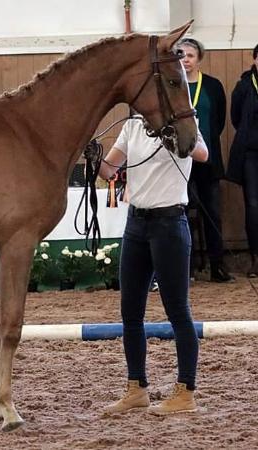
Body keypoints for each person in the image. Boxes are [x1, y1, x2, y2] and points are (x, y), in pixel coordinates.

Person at [93, 115, 208, 415]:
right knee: (130, 311)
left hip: (169, 224)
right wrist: (92, 154)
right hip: (136, 224)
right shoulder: (132, 125)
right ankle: (136, 388)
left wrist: (176, 138)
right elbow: (109, 170)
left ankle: (186, 392)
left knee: (178, 311)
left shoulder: (185, 122)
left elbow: (202, 154)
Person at [178, 38, 233, 282]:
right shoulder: (172, 84)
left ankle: (217, 266)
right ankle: (186, 268)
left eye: (190, 55)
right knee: (182, 214)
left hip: (207, 159)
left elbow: (219, 121)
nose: (186, 60)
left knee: (212, 213)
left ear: (199, 58)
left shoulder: (212, 85)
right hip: (180, 161)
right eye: (181, 55)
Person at [227, 43, 258, 278]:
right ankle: (256, 257)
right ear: (255, 59)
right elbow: (235, 118)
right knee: (254, 205)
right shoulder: (244, 86)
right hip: (251, 154)